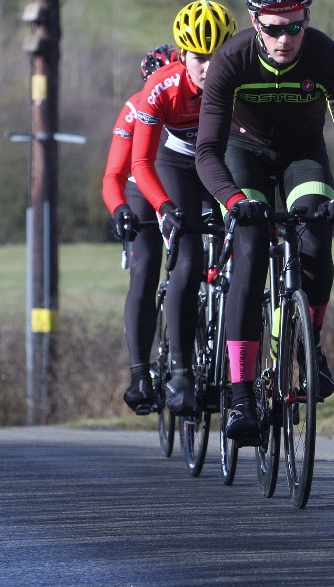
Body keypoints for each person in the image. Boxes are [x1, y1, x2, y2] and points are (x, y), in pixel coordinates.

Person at [195, 0, 334, 446]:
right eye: (273, 27)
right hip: (243, 154)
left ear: (306, 20)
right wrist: (233, 201)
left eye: (293, 26)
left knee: (316, 239)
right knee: (253, 251)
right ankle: (241, 397)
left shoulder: (324, 56)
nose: (284, 38)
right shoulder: (231, 60)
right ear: (255, 23)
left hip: (302, 153)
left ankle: (309, 346)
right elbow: (207, 151)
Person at [131, 0, 237, 416]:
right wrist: (163, 206)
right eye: (199, 57)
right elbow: (140, 162)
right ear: (181, 55)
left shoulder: (240, 81)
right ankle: (181, 372)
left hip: (222, 161)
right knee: (189, 261)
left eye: (217, 56)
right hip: (176, 165)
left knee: (250, 247)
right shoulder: (161, 86)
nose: (209, 66)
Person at [102, 42, 184, 414]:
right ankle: (139, 373)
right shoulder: (137, 107)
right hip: (141, 192)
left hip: (184, 184)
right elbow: (114, 175)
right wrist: (119, 209)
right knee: (146, 264)